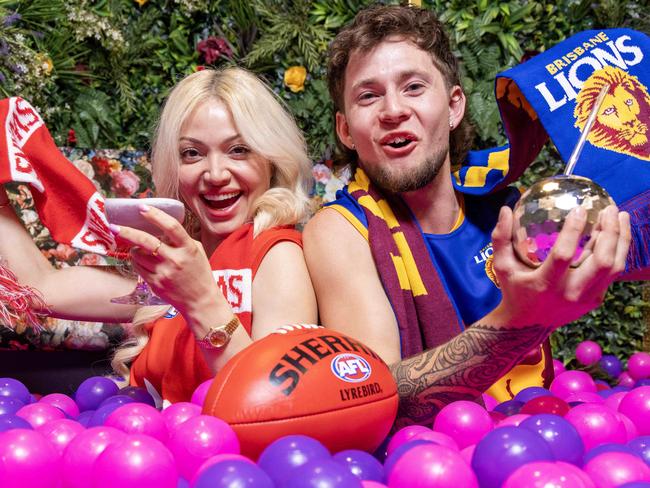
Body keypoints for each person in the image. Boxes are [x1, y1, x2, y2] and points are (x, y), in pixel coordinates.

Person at [303, 4, 631, 427]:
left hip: (546, 428)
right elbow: (374, 393)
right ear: (346, 130)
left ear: (455, 106)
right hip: (432, 458)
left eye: (414, 87)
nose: (392, 110)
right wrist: (520, 317)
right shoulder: (340, 230)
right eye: (368, 95)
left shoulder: (509, 205)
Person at [0, 67, 317, 403]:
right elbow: (40, 288)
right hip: (146, 446)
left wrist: (198, 298)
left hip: (224, 454)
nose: (215, 173)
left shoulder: (277, 256)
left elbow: (277, 404)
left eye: (238, 150)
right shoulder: (168, 262)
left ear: (271, 159)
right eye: (191, 153)